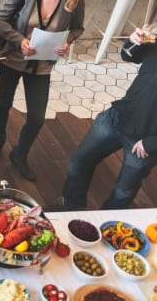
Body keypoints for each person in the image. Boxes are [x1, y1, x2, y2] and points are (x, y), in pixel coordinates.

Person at [0, 0, 85, 182]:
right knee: (3, 103)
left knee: (37, 117)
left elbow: (78, 28)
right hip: (13, 59)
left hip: (42, 64)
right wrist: (20, 40)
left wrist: (67, 41)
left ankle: (20, 154)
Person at [59, 26, 157, 209]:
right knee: (79, 161)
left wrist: (152, 143)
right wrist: (133, 42)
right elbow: (129, 56)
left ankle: (107, 226)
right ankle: (70, 207)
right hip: (118, 115)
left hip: (146, 139)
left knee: (124, 191)